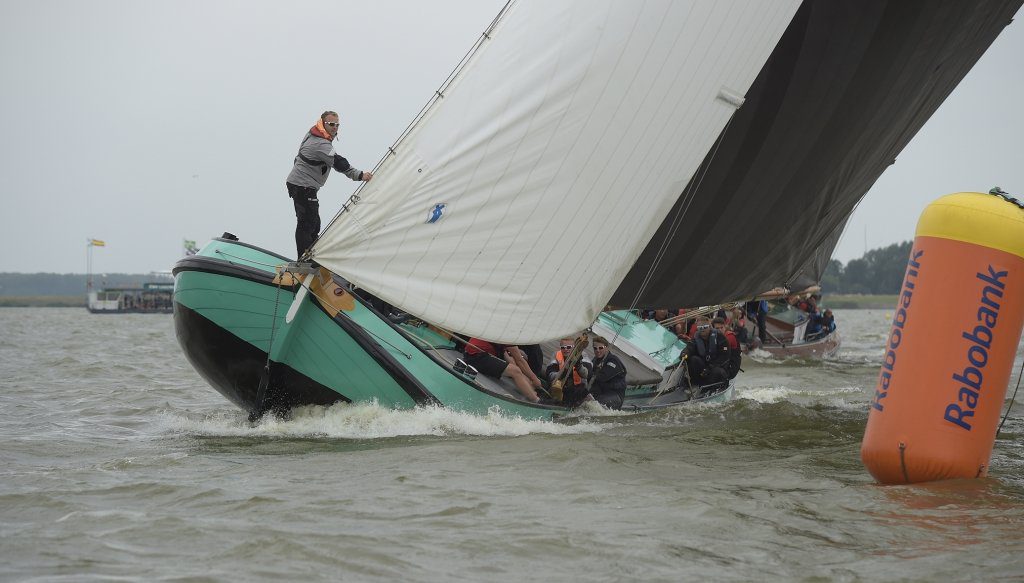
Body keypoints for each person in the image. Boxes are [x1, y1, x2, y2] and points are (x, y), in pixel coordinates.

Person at [286, 111, 373, 259]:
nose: (335, 128)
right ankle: (303, 260)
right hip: (302, 186)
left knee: (314, 224)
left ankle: (311, 257)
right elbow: (339, 163)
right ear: (323, 123)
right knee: (307, 223)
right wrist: (360, 175)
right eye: (331, 124)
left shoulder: (314, 133)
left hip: (301, 184)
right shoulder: (320, 143)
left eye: (337, 125)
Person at [463, 338, 542, 402]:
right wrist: (534, 379)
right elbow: (520, 361)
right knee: (514, 370)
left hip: (473, 356)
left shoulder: (502, 339)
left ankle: (532, 394)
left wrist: (530, 385)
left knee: (515, 369)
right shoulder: (508, 336)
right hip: (475, 357)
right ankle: (537, 401)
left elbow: (511, 361)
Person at [681, 316, 730, 391]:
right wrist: (685, 353)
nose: (702, 329)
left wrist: (710, 368)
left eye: (705, 327)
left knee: (718, 372)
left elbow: (724, 357)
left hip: (716, 366)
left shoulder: (720, 337)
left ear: (710, 327)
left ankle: (712, 389)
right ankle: (695, 385)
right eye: (700, 328)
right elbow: (690, 347)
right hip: (703, 368)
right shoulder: (696, 338)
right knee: (693, 360)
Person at [545, 338, 593, 408]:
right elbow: (550, 375)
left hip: (579, 391)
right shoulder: (556, 355)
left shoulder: (582, 355)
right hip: (561, 391)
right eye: (563, 347)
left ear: (574, 347)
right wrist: (564, 370)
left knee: (593, 405)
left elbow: (587, 374)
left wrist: (578, 365)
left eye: (569, 347)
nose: (566, 349)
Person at [588, 336, 627, 410]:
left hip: (615, 395)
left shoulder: (613, 361)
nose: (598, 350)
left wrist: (590, 372)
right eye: (595, 348)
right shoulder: (595, 360)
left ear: (606, 348)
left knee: (594, 405)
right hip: (600, 393)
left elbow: (602, 377)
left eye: (601, 348)